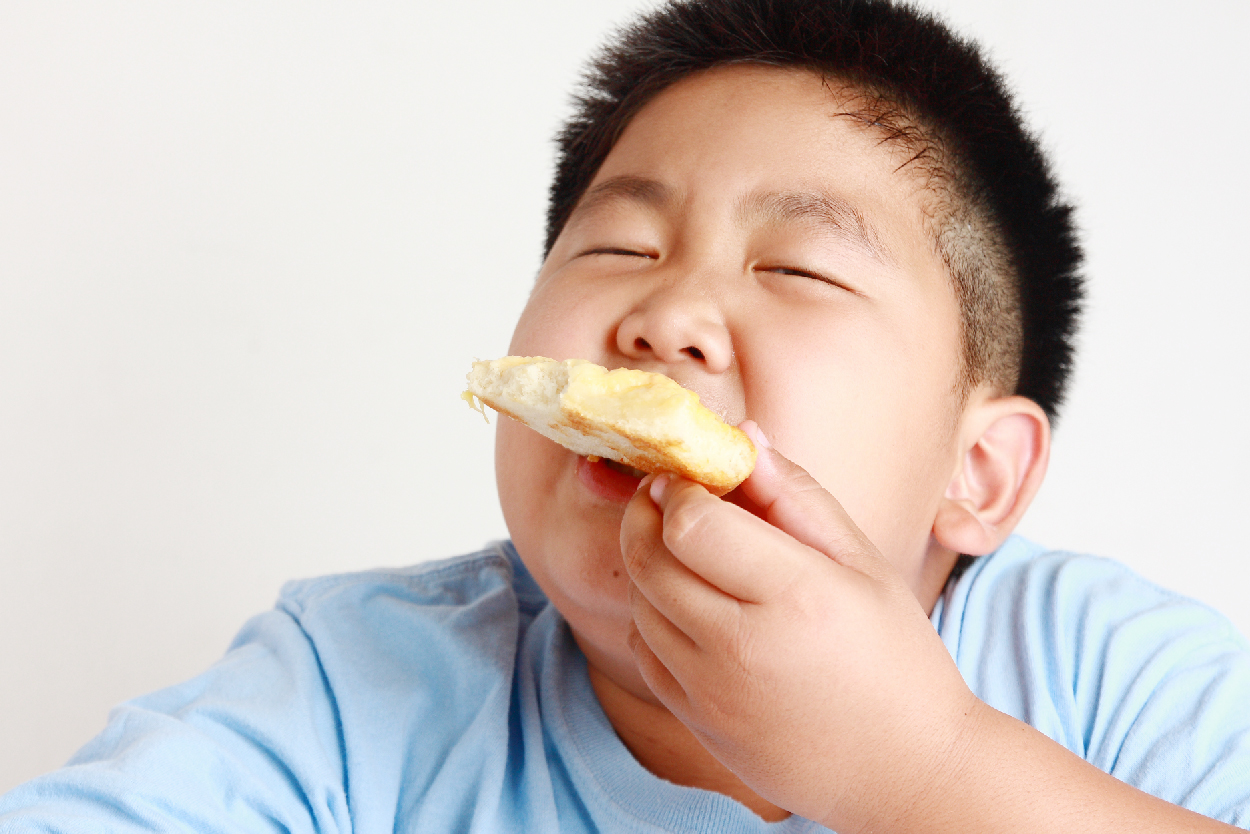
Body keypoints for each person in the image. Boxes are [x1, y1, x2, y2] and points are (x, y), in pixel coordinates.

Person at [2, 0, 1247, 831]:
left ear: (976, 473)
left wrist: (918, 763)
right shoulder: (348, 689)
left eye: (795, 269)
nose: (667, 319)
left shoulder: (1107, 678)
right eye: (618, 248)